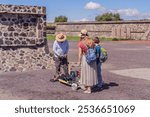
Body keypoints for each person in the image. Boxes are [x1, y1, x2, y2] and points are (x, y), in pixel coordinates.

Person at [78, 29, 98, 93]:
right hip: (92, 59)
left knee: (86, 73)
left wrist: (79, 61)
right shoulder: (91, 41)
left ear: (81, 36)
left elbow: (80, 54)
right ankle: (89, 86)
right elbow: (95, 50)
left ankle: (88, 89)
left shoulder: (81, 43)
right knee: (91, 72)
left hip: (86, 59)